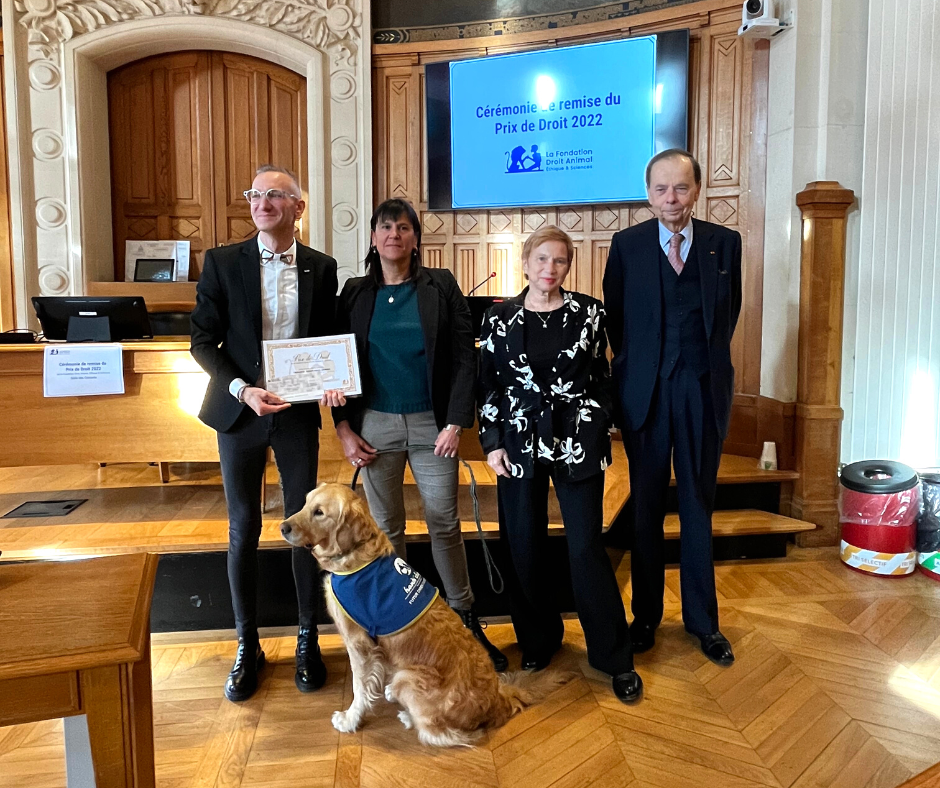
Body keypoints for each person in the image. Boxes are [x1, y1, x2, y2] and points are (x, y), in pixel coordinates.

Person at [330, 197, 508, 672]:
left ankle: (466, 620)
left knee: (444, 523)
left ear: (415, 238)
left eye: (404, 227)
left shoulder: (440, 286)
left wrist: (454, 423)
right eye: (386, 227)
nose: (395, 235)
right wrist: (344, 429)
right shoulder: (353, 293)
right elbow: (336, 362)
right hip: (375, 426)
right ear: (373, 237)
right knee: (387, 531)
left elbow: (464, 356)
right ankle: (399, 628)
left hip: (434, 426)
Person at [191, 164, 344, 702]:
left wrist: (333, 382)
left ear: (298, 208)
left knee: (302, 525)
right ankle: (246, 643)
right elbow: (202, 341)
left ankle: (307, 637)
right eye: (255, 194)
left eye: (275, 195)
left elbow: (329, 342)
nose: (262, 203)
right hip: (240, 412)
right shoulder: (222, 262)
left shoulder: (322, 269)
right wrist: (241, 389)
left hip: (297, 414)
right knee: (242, 527)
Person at [478, 225, 642, 703]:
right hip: (518, 443)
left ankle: (613, 656)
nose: (550, 269)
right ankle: (538, 641)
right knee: (524, 545)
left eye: (560, 261)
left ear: (569, 266)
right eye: (542, 260)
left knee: (585, 548)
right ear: (525, 262)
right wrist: (491, 443)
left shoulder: (591, 313)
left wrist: (599, 419)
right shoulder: (498, 319)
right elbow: (489, 386)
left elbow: (606, 376)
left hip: (577, 442)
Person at [603, 149, 742, 665]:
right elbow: (616, 319)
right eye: (661, 189)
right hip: (646, 395)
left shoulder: (725, 245)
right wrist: (643, 369)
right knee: (644, 511)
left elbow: (727, 316)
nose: (671, 199)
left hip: (702, 393)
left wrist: (697, 365)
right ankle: (645, 618)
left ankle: (704, 623)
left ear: (697, 190)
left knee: (697, 509)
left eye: (680, 188)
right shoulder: (627, 246)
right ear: (648, 193)